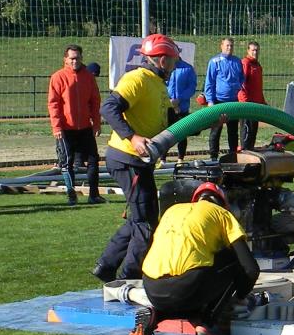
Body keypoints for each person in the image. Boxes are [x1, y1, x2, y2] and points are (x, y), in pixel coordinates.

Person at [95, 33, 180, 282]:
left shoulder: (157, 83)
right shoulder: (138, 79)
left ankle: (106, 266)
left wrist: (209, 119)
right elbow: (108, 108)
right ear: (162, 60)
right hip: (127, 157)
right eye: (173, 60)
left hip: (138, 162)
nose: (174, 65)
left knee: (140, 218)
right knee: (145, 222)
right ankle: (129, 277)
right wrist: (132, 137)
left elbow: (173, 124)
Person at [131, 181, 260, 335]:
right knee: (232, 259)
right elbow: (250, 268)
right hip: (188, 287)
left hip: (152, 288)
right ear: (223, 203)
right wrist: (240, 297)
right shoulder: (221, 214)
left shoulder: (171, 211)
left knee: (186, 281)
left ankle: (157, 314)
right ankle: (206, 325)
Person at [48, 44, 102, 206]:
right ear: (65, 59)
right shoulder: (58, 77)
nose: (75, 61)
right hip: (65, 129)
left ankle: (94, 195)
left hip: (85, 127)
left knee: (93, 160)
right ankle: (71, 195)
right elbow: (54, 104)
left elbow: (95, 101)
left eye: (77, 58)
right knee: (67, 162)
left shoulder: (88, 76)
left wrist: (96, 123)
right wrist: (56, 126)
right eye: (71, 58)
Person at [203, 37, 244, 159]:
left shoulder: (237, 61)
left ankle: (233, 156)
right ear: (221, 46)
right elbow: (209, 82)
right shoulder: (214, 62)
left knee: (233, 132)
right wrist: (210, 101)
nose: (229, 48)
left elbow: (242, 78)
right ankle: (213, 156)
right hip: (218, 101)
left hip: (233, 101)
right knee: (215, 130)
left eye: (231, 46)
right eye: (227, 45)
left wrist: (238, 86)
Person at [166, 55, 196, 161]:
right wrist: (169, 102)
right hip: (167, 107)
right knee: (165, 133)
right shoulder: (166, 67)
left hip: (182, 107)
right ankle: (162, 159)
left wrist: (179, 100)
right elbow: (162, 85)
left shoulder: (188, 68)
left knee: (182, 134)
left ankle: (180, 159)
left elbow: (191, 88)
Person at [237, 41, 266, 150]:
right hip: (247, 105)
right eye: (253, 50)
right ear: (248, 51)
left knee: (253, 132)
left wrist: (263, 102)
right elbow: (241, 84)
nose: (255, 52)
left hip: (256, 105)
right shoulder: (246, 63)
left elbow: (258, 87)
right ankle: (244, 152)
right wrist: (245, 102)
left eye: (257, 50)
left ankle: (250, 153)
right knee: (247, 133)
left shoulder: (257, 65)